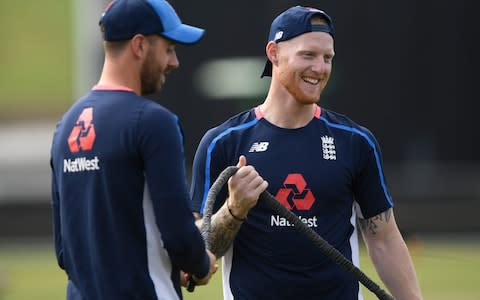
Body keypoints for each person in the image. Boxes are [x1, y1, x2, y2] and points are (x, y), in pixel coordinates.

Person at [190, 5, 422, 300]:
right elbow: (196, 258)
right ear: (273, 53)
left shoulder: (356, 141)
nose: (320, 68)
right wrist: (235, 210)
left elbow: (384, 239)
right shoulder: (221, 143)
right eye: (308, 55)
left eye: (328, 58)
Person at [49, 0, 217, 299]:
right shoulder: (154, 122)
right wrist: (201, 264)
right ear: (139, 45)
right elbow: (178, 234)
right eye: (168, 49)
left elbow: (64, 250)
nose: (174, 62)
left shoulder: (66, 124)